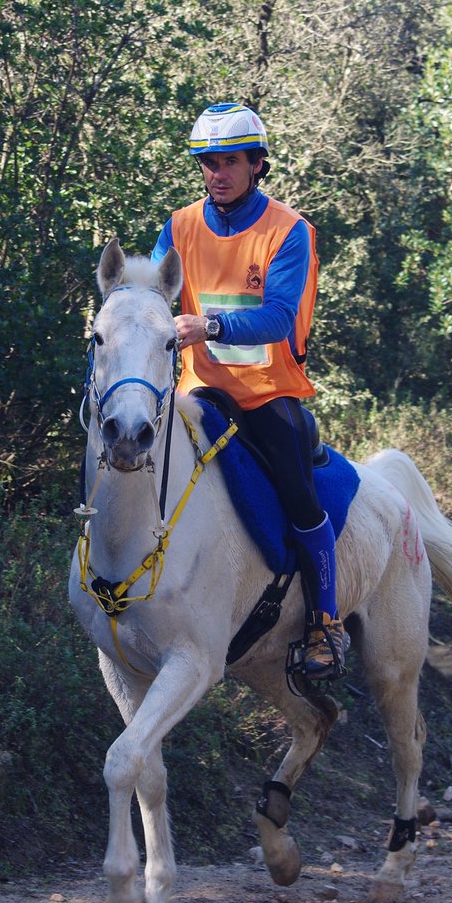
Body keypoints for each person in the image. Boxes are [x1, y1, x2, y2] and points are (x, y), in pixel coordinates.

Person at [151, 102, 346, 680]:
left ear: (257, 164)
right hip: (195, 391)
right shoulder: (178, 226)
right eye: (208, 163)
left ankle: (325, 624)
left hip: (264, 394)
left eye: (230, 161)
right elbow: (155, 293)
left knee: (298, 496)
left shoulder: (290, 232)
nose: (217, 173)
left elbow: (280, 319)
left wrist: (207, 326)